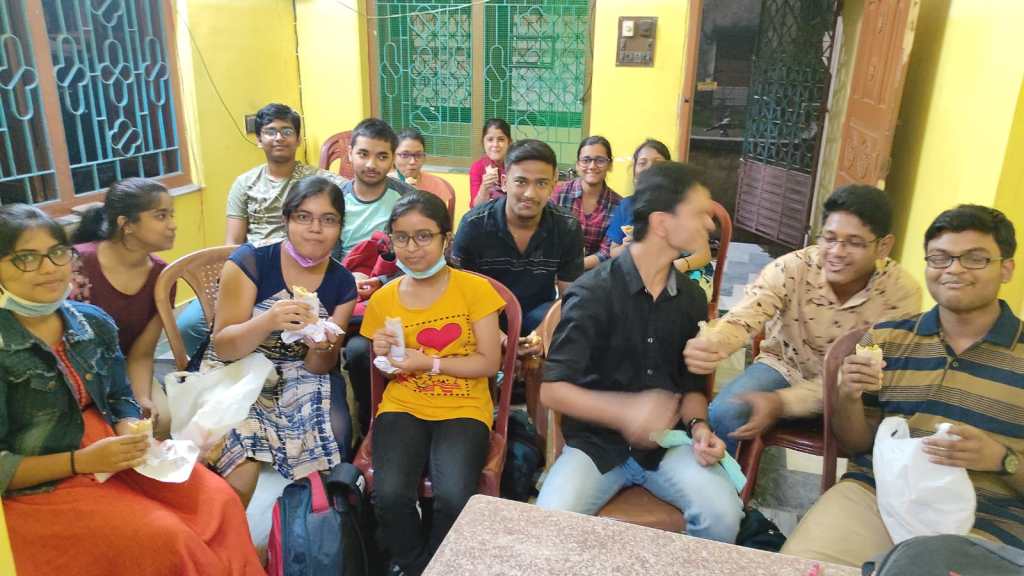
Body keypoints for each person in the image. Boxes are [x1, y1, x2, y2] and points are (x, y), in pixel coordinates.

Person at [0, 205, 262, 575]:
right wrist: (81, 462)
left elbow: (118, 395)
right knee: (167, 538)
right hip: (41, 481)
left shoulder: (92, 323)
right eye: (26, 258)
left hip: (109, 452)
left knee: (219, 499)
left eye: (57, 252)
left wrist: (128, 425)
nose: (49, 268)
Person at [783, 205, 1024, 566]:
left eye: (975, 259)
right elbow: (856, 443)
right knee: (800, 568)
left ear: (1006, 268)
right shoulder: (886, 339)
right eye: (940, 258)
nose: (953, 269)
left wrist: (1003, 460)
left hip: (987, 518)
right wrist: (847, 396)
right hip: (876, 496)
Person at [536, 162, 743, 543]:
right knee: (549, 524)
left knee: (723, 515)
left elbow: (692, 388)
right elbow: (552, 391)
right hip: (596, 447)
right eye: (699, 213)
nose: (710, 225)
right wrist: (625, 411)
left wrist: (700, 429)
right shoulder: (593, 293)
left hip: (667, 446)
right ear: (662, 223)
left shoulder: (691, 298)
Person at [685, 185, 923, 455]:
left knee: (892, 434)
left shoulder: (900, 293)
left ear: (883, 246)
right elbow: (744, 316)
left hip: (850, 390)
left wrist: (782, 403)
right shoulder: (792, 267)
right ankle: (724, 478)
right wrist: (714, 344)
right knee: (725, 412)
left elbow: (866, 371)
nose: (836, 251)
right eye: (829, 238)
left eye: (854, 242)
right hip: (785, 367)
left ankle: (856, 481)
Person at [362, 192, 505, 576]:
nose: (412, 248)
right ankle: (418, 566)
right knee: (390, 496)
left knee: (455, 497)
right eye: (402, 237)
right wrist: (385, 355)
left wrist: (428, 362)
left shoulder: (474, 290)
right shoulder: (384, 298)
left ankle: (437, 565)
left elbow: (489, 363)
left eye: (424, 236)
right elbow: (388, 371)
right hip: (404, 404)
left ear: (446, 238)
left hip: (464, 407)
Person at [209, 177, 357, 505]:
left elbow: (319, 367)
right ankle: (228, 530)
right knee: (241, 454)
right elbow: (224, 347)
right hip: (240, 367)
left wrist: (322, 347)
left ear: (340, 227)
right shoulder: (250, 262)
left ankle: (314, 524)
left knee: (334, 434)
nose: (315, 229)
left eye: (328, 219)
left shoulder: (343, 283)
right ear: (285, 219)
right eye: (303, 217)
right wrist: (268, 320)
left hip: (300, 371)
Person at [178, 103, 346, 356]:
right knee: (189, 325)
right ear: (259, 139)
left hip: (301, 270)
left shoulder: (318, 181)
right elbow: (233, 241)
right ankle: (222, 367)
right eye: (271, 131)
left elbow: (356, 193)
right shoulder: (245, 184)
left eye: (287, 131)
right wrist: (233, 277)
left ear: (298, 139)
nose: (279, 137)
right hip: (252, 269)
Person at [70, 178, 177, 437]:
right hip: (75, 374)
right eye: (161, 216)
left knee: (160, 420)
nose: (173, 225)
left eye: (171, 215)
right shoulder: (76, 264)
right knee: (96, 432)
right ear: (126, 224)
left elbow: (141, 354)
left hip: (125, 371)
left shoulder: (163, 277)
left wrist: (140, 398)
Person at [451, 138, 584, 344]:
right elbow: (460, 295)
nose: (530, 194)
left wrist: (538, 337)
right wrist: (502, 340)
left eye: (541, 183)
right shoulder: (474, 225)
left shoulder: (567, 226)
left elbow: (568, 298)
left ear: (553, 184)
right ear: (505, 182)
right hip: (483, 317)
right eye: (521, 182)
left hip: (539, 316)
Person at [336, 118, 416, 437]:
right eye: (363, 154)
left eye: (382, 156)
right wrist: (346, 279)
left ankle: (399, 419)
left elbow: (420, 258)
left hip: (397, 296)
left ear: (393, 158)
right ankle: (365, 425)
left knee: (371, 349)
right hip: (343, 298)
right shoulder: (333, 199)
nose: (371, 164)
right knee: (356, 351)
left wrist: (382, 283)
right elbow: (318, 256)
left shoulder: (407, 200)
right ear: (350, 154)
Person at [604, 139, 713, 294]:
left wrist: (678, 266)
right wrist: (628, 247)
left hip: (686, 273)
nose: (649, 168)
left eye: (657, 162)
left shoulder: (681, 206)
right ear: (634, 171)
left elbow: (704, 254)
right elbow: (613, 252)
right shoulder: (627, 205)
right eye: (642, 163)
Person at [551, 135, 622, 270]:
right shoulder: (558, 193)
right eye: (586, 160)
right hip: (553, 268)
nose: (592, 166)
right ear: (578, 164)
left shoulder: (619, 205)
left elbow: (606, 252)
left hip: (595, 275)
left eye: (600, 160)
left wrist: (571, 268)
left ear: (610, 165)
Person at [392, 128, 455, 210]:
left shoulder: (435, 184)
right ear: (393, 156)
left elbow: (439, 216)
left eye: (418, 155)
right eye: (405, 155)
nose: (412, 162)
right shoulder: (385, 184)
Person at [468, 118, 511, 208]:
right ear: (483, 142)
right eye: (490, 140)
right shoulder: (478, 168)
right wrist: (484, 187)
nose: (495, 145)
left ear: (509, 142)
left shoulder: (516, 166)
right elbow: (475, 208)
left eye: (501, 139)